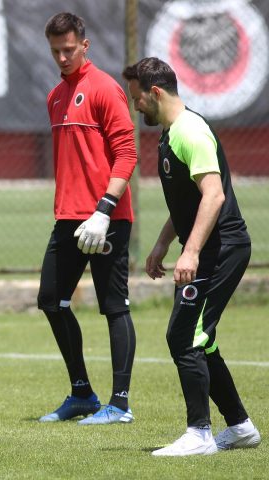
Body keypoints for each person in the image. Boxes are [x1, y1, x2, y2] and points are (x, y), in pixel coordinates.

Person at [123, 57, 261, 456]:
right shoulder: (171, 133)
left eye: (137, 99)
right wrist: (163, 243)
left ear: (155, 92)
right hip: (209, 248)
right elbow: (189, 201)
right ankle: (240, 427)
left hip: (222, 248)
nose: (136, 107)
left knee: (185, 336)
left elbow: (213, 196)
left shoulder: (190, 131)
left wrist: (191, 251)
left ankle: (199, 434)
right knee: (201, 338)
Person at [37, 12, 138, 425]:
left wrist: (104, 209)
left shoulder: (105, 88)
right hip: (68, 219)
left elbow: (127, 155)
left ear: (85, 45)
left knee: (114, 307)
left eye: (69, 49)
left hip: (106, 218)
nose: (63, 57)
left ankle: (120, 404)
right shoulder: (55, 96)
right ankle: (82, 394)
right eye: (55, 51)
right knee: (50, 301)